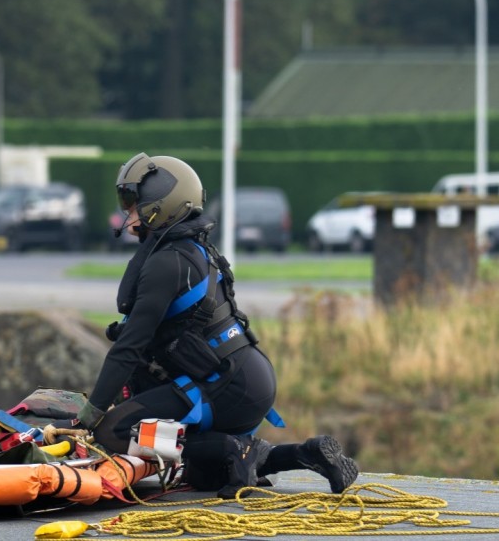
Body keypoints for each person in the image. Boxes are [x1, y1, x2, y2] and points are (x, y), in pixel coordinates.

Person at [53, 153, 358, 497]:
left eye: (133, 201)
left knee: (115, 433)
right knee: (206, 474)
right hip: (244, 381)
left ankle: (234, 449)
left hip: (223, 388)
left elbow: (130, 346)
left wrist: (91, 414)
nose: (128, 211)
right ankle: (307, 454)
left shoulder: (167, 263)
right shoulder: (194, 249)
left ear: (160, 205)